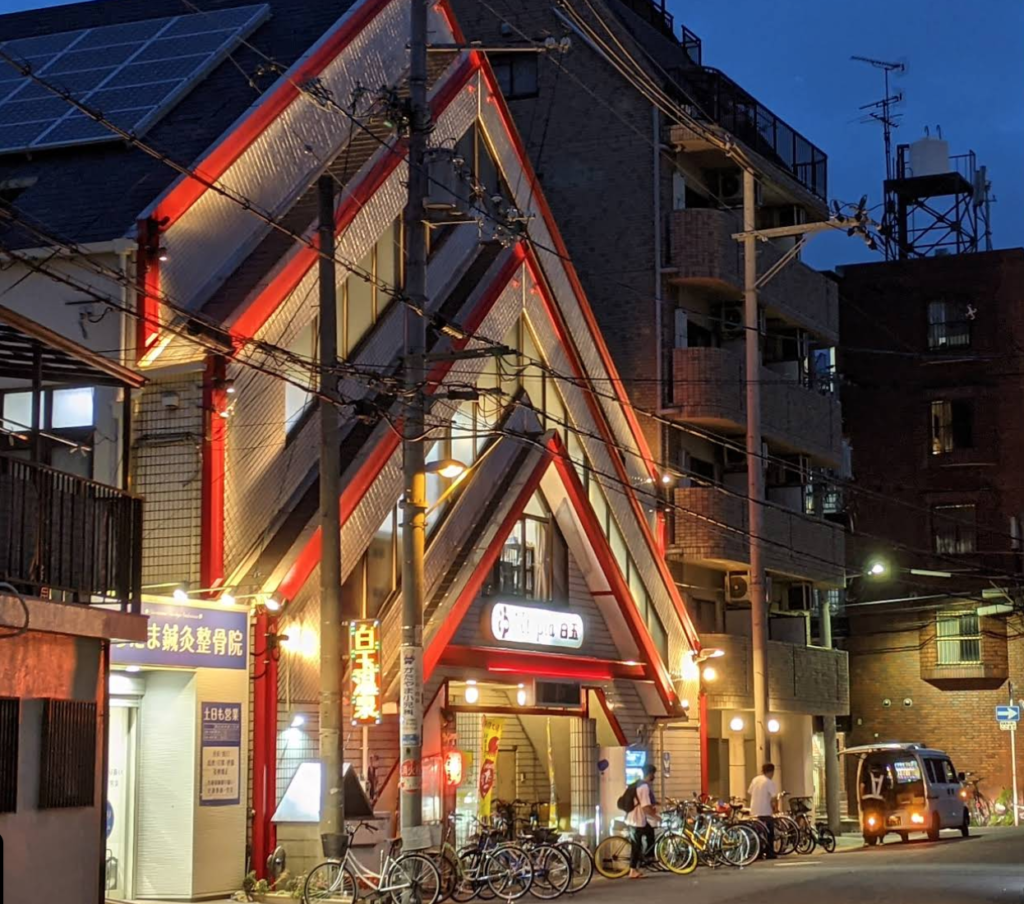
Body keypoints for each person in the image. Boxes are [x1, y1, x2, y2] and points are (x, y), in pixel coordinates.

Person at [625, 763, 658, 879]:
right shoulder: (643, 787)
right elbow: (645, 807)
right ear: (650, 774)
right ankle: (633, 870)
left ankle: (648, 858)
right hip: (635, 820)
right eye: (654, 774)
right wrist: (657, 817)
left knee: (650, 833)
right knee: (636, 845)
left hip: (637, 819)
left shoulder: (639, 784)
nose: (654, 777)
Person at [748, 762, 779, 860]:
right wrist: (775, 809)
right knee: (769, 833)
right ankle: (769, 852)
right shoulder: (769, 782)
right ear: (771, 772)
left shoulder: (755, 780)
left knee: (757, 833)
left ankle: (758, 853)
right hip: (765, 811)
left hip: (754, 810)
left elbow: (749, 792)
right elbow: (774, 798)